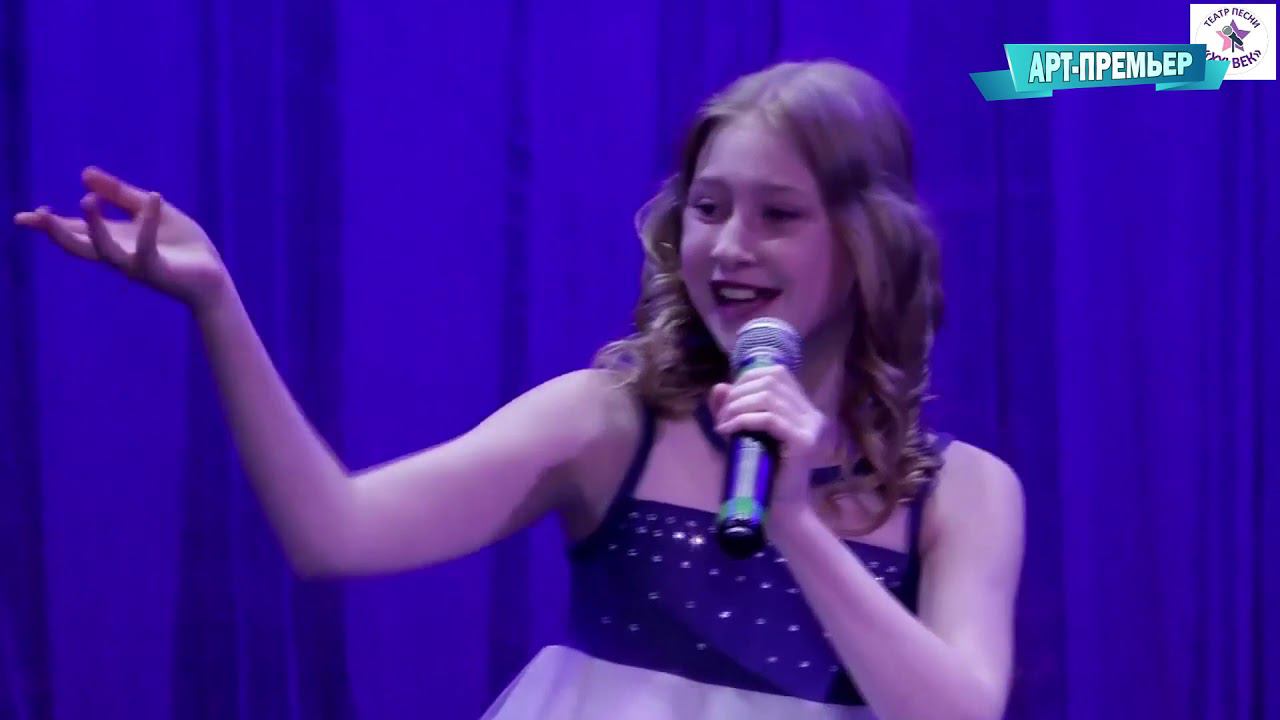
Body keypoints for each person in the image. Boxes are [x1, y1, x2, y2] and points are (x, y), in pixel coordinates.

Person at [14, 59, 1024, 720]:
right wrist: (217, 305)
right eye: (709, 208)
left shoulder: (963, 492)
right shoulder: (608, 421)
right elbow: (335, 533)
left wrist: (794, 518)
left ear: (867, 241)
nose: (729, 247)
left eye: (778, 215)